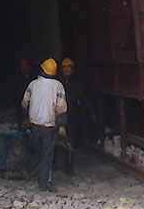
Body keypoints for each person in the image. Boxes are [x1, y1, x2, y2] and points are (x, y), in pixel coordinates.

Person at [21, 58, 67, 191]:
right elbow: (61, 107)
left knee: (37, 150)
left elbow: (25, 102)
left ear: (42, 70)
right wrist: (62, 124)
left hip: (34, 124)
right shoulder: (58, 86)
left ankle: (35, 175)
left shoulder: (32, 84)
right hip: (49, 126)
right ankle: (44, 183)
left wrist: (25, 116)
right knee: (47, 155)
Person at [58, 57, 96, 175]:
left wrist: (92, 112)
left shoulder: (77, 85)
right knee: (55, 142)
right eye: (65, 68)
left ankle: (68, 167)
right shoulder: (57, 84)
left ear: (72, 70)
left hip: (72, 118)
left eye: (69, 68)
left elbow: (85, 99)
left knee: (69, 143)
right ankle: (53, 164)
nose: (67, 70)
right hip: (58, 117)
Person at [10, 57, 33, 128]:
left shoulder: (34, 80)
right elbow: (12, 93)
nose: (25, 67)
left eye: (26, 65)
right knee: (22, 127)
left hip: (32, 108)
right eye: (23, 66)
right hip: (20, 107)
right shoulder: (17, 79)